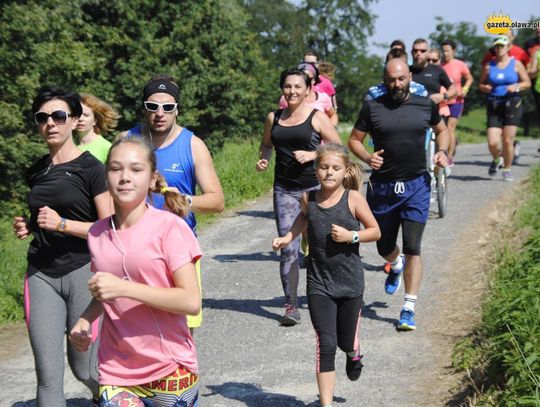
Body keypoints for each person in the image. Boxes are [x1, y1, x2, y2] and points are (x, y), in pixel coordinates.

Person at [69, 137, 201, 406]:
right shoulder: (96, 233)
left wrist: (126, 289)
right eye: (116, 169)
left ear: (153, 179)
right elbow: (106, 294)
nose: (125, 177)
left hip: (170, 370)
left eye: (136, 169)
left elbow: (191, 301)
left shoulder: (170, 228)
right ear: (106, 178)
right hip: (116, 370)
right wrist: (84, 320)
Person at [12, 86, 111, 406]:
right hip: (40, 274)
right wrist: (29, 226)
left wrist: (63, 225)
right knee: (47, 377)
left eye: (58, 116)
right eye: (42, 118)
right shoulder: (36, 171)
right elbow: (43, 214)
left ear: (74, 120)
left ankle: (120, 396)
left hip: (82, 271)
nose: (50, 123)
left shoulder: (92, 169)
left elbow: (109, 228)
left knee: (84, 369)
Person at [272, 143, 380, 407]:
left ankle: (354, 353)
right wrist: (288, 237)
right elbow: (303, 219)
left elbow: (375, 231)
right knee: (326, 344)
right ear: (316, 170)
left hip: (350, 283)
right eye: (323, 167)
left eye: (335, 168)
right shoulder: (309, 197)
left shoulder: (353, 199)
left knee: (344, 342)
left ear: (345, 171)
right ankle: (326, 404)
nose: (329, 173)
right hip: (319, 283)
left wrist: (351, 236)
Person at [348, 58, 450, 331]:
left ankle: (408, 307)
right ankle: (394, 264)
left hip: (416, 185)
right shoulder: (373, 107)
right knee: (383, 246)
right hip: (382, 188)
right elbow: (354, 140)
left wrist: (442, 151)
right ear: (385, 80)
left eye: (402, 78)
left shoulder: (425, 104)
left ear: (409, 78)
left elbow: (442, 131)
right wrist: (368, 157)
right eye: (392, 80)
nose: (397, 84)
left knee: (413, 247)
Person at [118, 74, 224, 332]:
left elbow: (217, 200)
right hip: (134, 248)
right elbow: (108, 192)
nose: (160, 113)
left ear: (177, 110)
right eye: (153, 107)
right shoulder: (126, 141)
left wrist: (184, 199)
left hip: (177, 251)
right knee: (135, 331)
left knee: (181, 332)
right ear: (144, 108)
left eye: (168, 107)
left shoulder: (193, 145)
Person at [256, 68, 341, 326]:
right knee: (288, 247)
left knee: (322, 247)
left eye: (297, 87)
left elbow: (338, 146)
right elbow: (267, 144)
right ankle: (291, 304)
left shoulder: (317, 117)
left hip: (316, 190)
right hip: (284, 189)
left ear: (307, 90)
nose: (292, 91)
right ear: (282, 89)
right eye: (288, 86)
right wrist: (263, 159)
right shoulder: (274, 117)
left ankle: (330, 295)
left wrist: (314, 155)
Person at [479, 35, 531, 181]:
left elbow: (527, 82)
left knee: (508, 140)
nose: (499, 49)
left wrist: (517, 86)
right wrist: (485, 87)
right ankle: (497, 160)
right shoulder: (489, 66)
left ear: (508, 47)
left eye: (502, 46)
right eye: (497, 46)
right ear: (494, 48)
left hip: (512, 103)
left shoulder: (516, 64)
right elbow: (481, 84)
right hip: (494, 103)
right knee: (492, 142)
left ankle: (507, 168)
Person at [441, 39, 474, 161]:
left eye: (447, 51)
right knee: (442, 128)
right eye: (443, 51)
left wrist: (465, 89)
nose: (445, 53)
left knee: (450, 128)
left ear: (453, 51)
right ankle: (443, 150)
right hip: (443, 101)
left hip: (457, 101)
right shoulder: (439, 65)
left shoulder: (460, 64)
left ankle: (449, 156)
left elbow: (469, 78)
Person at [279, 62, 338, 126]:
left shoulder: (323, 97)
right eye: (303, 79)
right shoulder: (286, 98)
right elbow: (280, 119)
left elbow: (333, 115)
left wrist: (330, 129)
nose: (306, 82)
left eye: (309, 79)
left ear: (314, 80)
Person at [410, 38, 457, 108]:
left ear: (428, 53)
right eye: (415, 50)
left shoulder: (437, 70)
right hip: (412, 114)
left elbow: (454, 90)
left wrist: (443, 96)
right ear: (411, 52)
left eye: (422, 51)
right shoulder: (406, 71)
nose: (418, 53)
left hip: (432, 115)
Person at [76, 93, 119, 163]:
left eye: (86, 115)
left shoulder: (106, 147)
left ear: (95, 121)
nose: (81, 119)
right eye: (78, 115)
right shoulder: (69, 146)